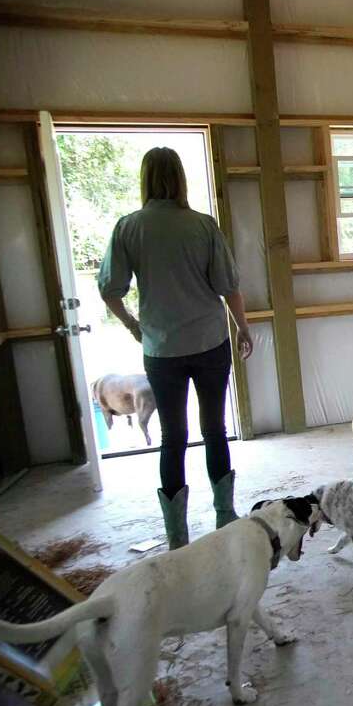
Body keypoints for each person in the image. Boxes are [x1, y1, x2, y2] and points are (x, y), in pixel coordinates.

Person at [99, 147, 253, 549]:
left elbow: (109, 290)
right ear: (180, 179)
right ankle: (225, 516)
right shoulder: (203, 226)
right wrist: (243, 327)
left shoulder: (128, 228)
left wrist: (134, 325)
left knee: (173, 436)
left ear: (146, 178)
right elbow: (229, 286)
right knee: (215, 428)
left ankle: (177, 537)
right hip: (209, 342)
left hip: (161, 349)